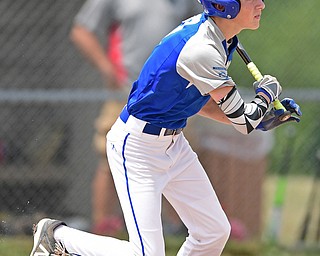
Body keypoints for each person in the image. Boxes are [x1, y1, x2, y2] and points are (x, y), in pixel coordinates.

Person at [30, 0, 302, 255]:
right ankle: (57, 237)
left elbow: (204, 105)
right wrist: (265, 95)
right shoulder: (201, 49)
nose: (262, 4)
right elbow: (244, 122)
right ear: (225, 4)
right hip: (137, 148)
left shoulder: (220, 38)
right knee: (146, 253)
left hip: (173, 144)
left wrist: (262, 119)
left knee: (214, 232)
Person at [70, 0, 201, 235]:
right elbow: (81, 30)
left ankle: (176, 228)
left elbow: (204, 27)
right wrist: (106, 66)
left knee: (175, 158)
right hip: (127, 92)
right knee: (110, 158)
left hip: (172, 95)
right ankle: (104, 227)